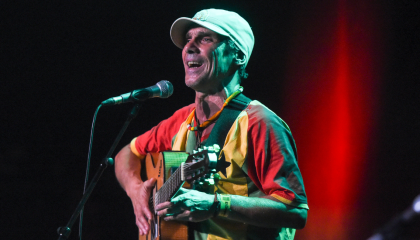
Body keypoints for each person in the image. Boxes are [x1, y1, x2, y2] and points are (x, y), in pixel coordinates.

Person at [115, 8, 309, 240]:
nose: (189, 46)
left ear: (238, 55)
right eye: (188, 39)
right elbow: (126, 154)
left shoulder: (259, 123)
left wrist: (217, 204)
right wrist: (136, 191)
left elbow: (296, 211)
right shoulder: (182, 121)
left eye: (205, 38)